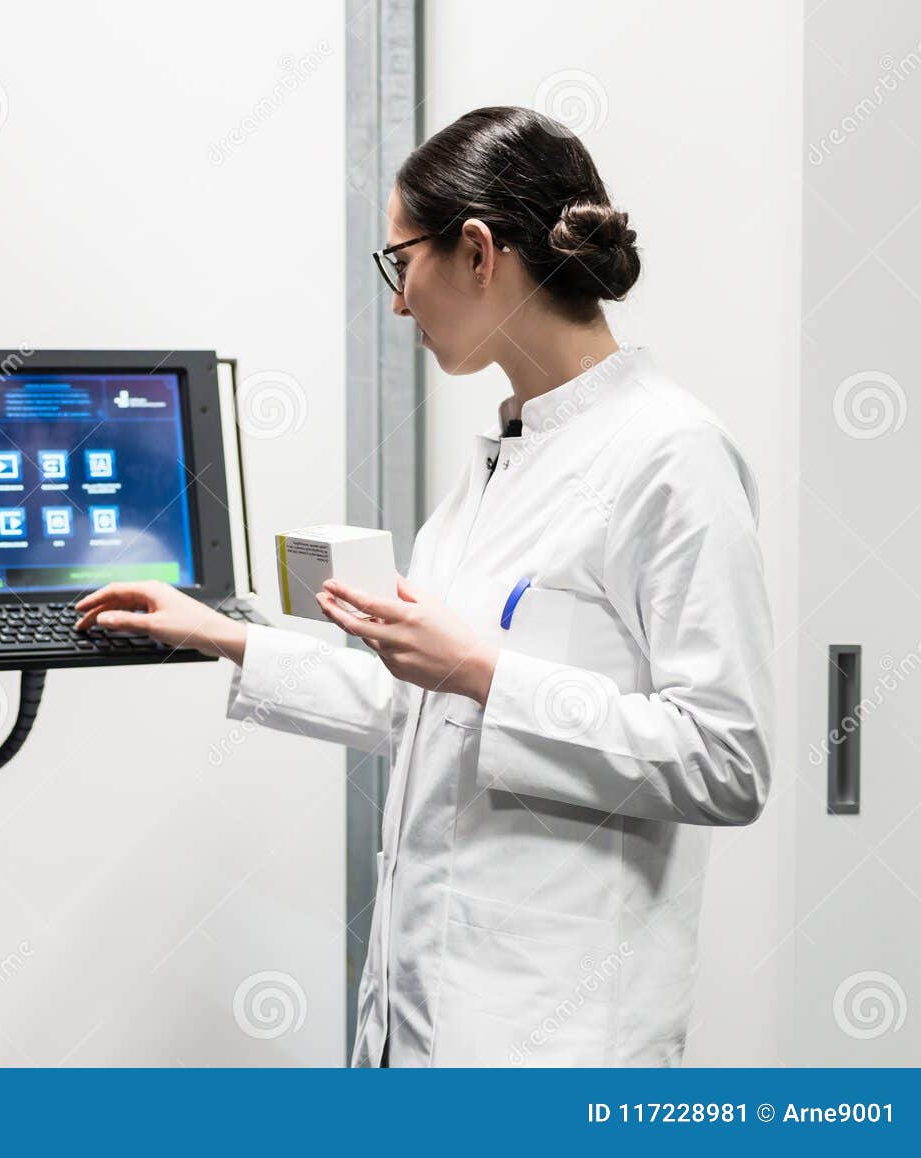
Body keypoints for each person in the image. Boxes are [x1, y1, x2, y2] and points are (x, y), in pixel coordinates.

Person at [75, 106, 773, 1067]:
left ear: (479, 252)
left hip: (557, 1039)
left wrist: (487, 673)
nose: (399, 303)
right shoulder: (503, 459)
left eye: (401, 261)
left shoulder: (672, 455)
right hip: (417, 1019)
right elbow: (429, 710)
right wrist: (226, 636)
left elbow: (727, 761)